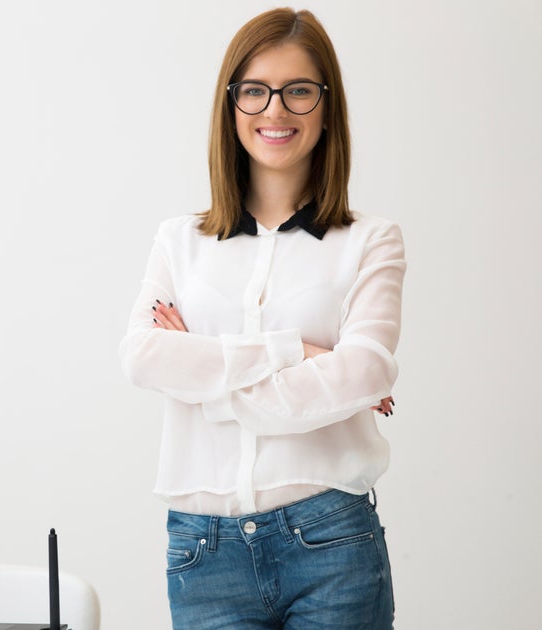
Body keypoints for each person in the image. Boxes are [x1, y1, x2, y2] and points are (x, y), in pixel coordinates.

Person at [118, 7, 405, 629]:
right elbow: (142, 357)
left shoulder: (371, 241)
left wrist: (206, 379)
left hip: (331, 540)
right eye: (255, 90)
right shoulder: (179, 241)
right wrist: (298, 353)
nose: (275, 110)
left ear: (327, 107)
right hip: (203, 553)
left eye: (298, 90)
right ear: (231, 105)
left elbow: (363, 374)